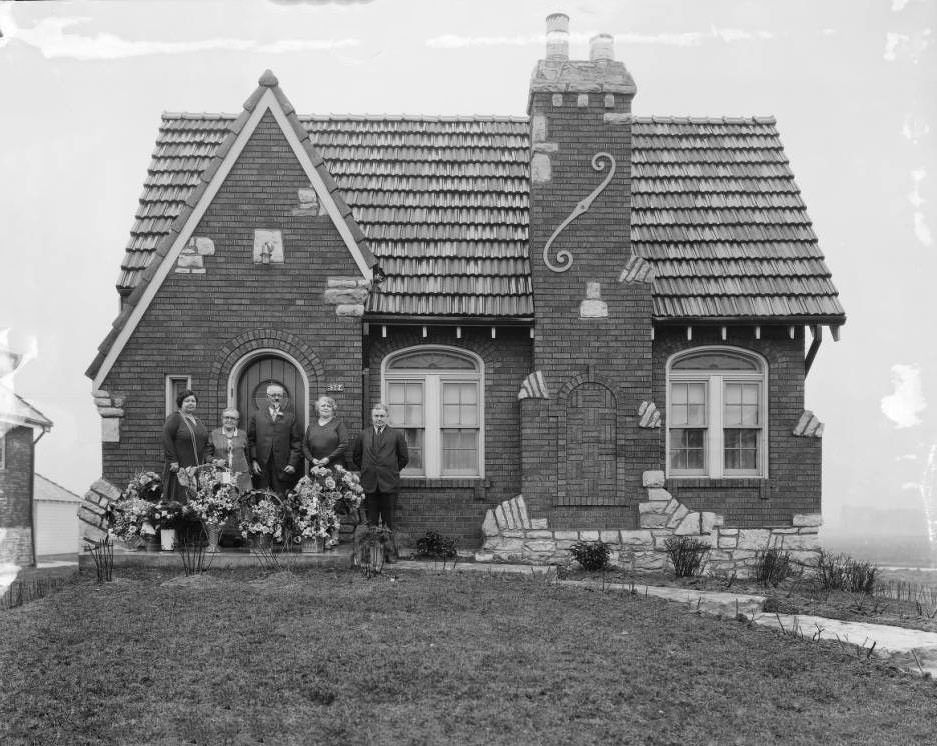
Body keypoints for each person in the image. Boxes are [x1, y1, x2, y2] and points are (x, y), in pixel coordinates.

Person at [350, 403, 408, 562]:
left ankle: (390, 554)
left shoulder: (396, 435)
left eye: (382, 416)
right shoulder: (363, 435)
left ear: (387, 417)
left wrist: (390, 470)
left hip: (389, 483)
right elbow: (357, 457)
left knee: (389, 521)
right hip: (369, 484)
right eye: (376, 416)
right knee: (371, 521)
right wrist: (369, 470)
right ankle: (373, 555)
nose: (379, 419)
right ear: (372, 417)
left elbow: (404, 458)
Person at [302, 396, 349, 549]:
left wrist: (328, 459)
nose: (326, 407)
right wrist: (312, 460)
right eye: (323, 405)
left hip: (334, 469)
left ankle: (334, 536)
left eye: (329, 405)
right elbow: (304, 447)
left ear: (333, 408)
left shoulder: (338, 424)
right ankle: (321, 534)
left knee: (333, 503)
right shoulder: (312, 426)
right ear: (317, 409)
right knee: (317, 502)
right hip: (315, 469)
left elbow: (344, 444)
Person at [247, 383, 302, 496]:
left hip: (283, 465)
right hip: (261, 465)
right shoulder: (257, 416)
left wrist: (292, 463)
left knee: (281, 497)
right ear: (267, 397)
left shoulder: (290, 417)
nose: (276, 398)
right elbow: (251, 440)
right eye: (273, 395)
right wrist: (254, 460)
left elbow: (296, 442)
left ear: (282, 397)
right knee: (261, 497)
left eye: (279, 395)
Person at [161, 389, 209, 502]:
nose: (191, 403)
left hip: (196, 466)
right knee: (181, 495)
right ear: (180, 403)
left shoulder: (198, 420)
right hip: (180, 465)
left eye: (193, 401)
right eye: (187, 401)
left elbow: (205, 442)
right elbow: (166, 438)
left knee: (196, 497)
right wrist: (173, 460)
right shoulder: (175, 418)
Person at [206, 408, 253, 494]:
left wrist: (249, 470)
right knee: (224, 499)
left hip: (241, 474)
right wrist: (215, 461)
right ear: (222, 418)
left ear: (237, 421)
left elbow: (247, 455)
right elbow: (207, 455)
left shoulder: (242, 434)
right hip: (222, 473)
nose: (229, 420)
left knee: (242, 499)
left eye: (233, 418)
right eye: (226, 417)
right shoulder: (214, 434)